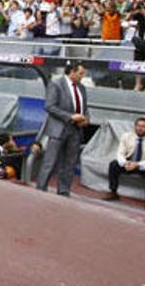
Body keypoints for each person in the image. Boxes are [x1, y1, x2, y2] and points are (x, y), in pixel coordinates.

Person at [36, 62, 89, 196]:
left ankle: (64, 190)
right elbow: (50, 106)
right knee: (50, 160)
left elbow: (85, 107)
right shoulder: (56, 84)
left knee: (70, 162)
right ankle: (41, 188)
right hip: (59, 128)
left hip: (76, 130)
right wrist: (70, 116)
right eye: (80, 73)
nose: (82, 76)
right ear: (72, 72)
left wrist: (86, 118)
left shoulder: (82, 88)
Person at [103, 118, 145, 212]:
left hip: (142, 165)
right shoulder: (126, 136)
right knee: (113, 164)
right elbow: (120, 153)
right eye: (138, 125)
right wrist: (125, 163)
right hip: (128, 163)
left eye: (143, 127)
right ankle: (113, 192)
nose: (139, 128)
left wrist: (137, 165)